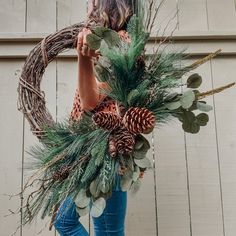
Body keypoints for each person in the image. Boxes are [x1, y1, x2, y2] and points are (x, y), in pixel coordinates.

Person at [53, 0, 136, 235]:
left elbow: (91, 102)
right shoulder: (111, 43)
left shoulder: (120, 43)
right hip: (105, 151)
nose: (88, 8)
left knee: (69, 223)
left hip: (105, 153)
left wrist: (83, 58)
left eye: (91, 2)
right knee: (107, 231)